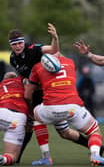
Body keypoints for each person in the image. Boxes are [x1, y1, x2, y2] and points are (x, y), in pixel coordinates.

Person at [8, 24, 99, 166]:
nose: (18, 46)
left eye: (20, 43)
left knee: (36, 122)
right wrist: (26, 81)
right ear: (11, 46)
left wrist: (55, 38)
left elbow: (53, 49)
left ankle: (42, 157)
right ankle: (96, 149)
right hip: (51, 97)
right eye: (15, 44)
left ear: (24, 42)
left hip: (47, 95)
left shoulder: (34, 50)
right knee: (64, 132)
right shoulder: (13, 59)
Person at [24, 52, 104, 166]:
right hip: (73, 107)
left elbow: (27, 95)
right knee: (94, 131)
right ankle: (95, 155)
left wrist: (30, 85)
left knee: (36, 117)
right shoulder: (70, 62)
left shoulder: (37, 67)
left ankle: (46, 157)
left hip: (50, 108)